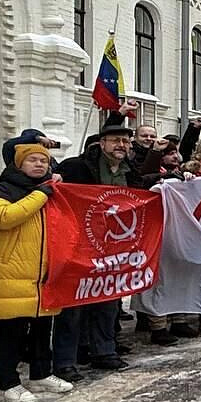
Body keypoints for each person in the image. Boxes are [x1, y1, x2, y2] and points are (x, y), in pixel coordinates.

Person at [0, 144, 74, 402]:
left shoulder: (51, 191)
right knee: (11, 333)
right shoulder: (2, 189)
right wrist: (40, 195)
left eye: (44, 161)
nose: (39, 165)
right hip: (11, 272)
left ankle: (41, 374)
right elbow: (2, 217)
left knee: (42, 330)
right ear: (18, 164)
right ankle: (9, 383)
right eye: (32, 160)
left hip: (44, 274)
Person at [51, 124, 143, 381]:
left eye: (125, 141)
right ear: (101, 143)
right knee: (74, 305)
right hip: (79, 245)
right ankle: (66, 361)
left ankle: (105, 351)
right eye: (115, 140)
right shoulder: (76, 167)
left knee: (109, 301)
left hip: (114, 247)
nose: (121, 146)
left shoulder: (131, 172)